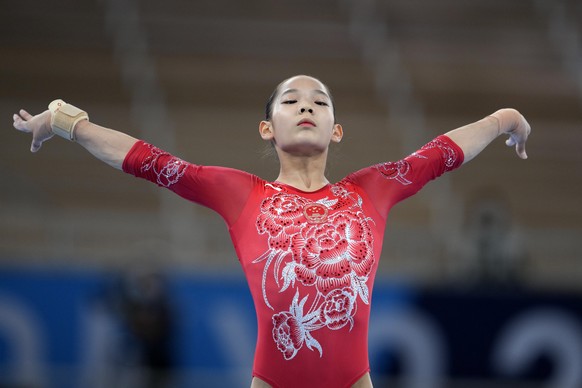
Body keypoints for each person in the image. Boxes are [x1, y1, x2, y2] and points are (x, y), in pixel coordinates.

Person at [12, 75, 530, 388]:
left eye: (320, 101)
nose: (306, 106)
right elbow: (150, 161)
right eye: (291, 100)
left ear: (337, 129)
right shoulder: (241, 194)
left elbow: (438, 155)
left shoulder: (370, 191)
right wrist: (63, 120)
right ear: (267, 128)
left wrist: (503, 116)